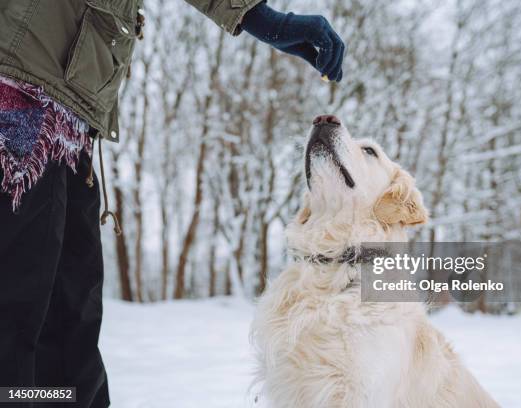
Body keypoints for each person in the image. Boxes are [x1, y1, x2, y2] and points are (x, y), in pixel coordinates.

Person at [0, 1, 344, 406]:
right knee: (17, 309)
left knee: (70, 320)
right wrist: (261, 18)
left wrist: (256, 17)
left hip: (70, 111)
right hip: (21, 89)